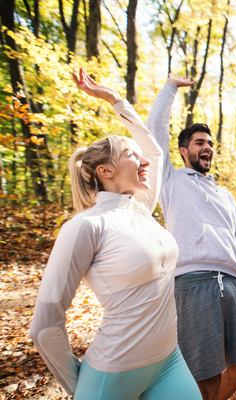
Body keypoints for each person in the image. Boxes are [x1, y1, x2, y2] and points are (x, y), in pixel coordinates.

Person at [29, 69, 202, 400]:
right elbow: (45, 323)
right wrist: (80, 386)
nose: (143, 161)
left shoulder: (138, 208)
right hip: (113, 373)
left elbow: (153, 152)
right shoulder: (85, 226)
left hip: (168, 361)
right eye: (130, 155)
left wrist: (114, 100)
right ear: (105, 172)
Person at [145, 76, 236, 400]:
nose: (207, 148)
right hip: (193, 282)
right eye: (200, 142)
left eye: (210, 143)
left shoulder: (225, 195)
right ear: (183, 151)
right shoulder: (171, 181)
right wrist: (171, 87)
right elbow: (153, 129)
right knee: (205, 374)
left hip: (232, 282)